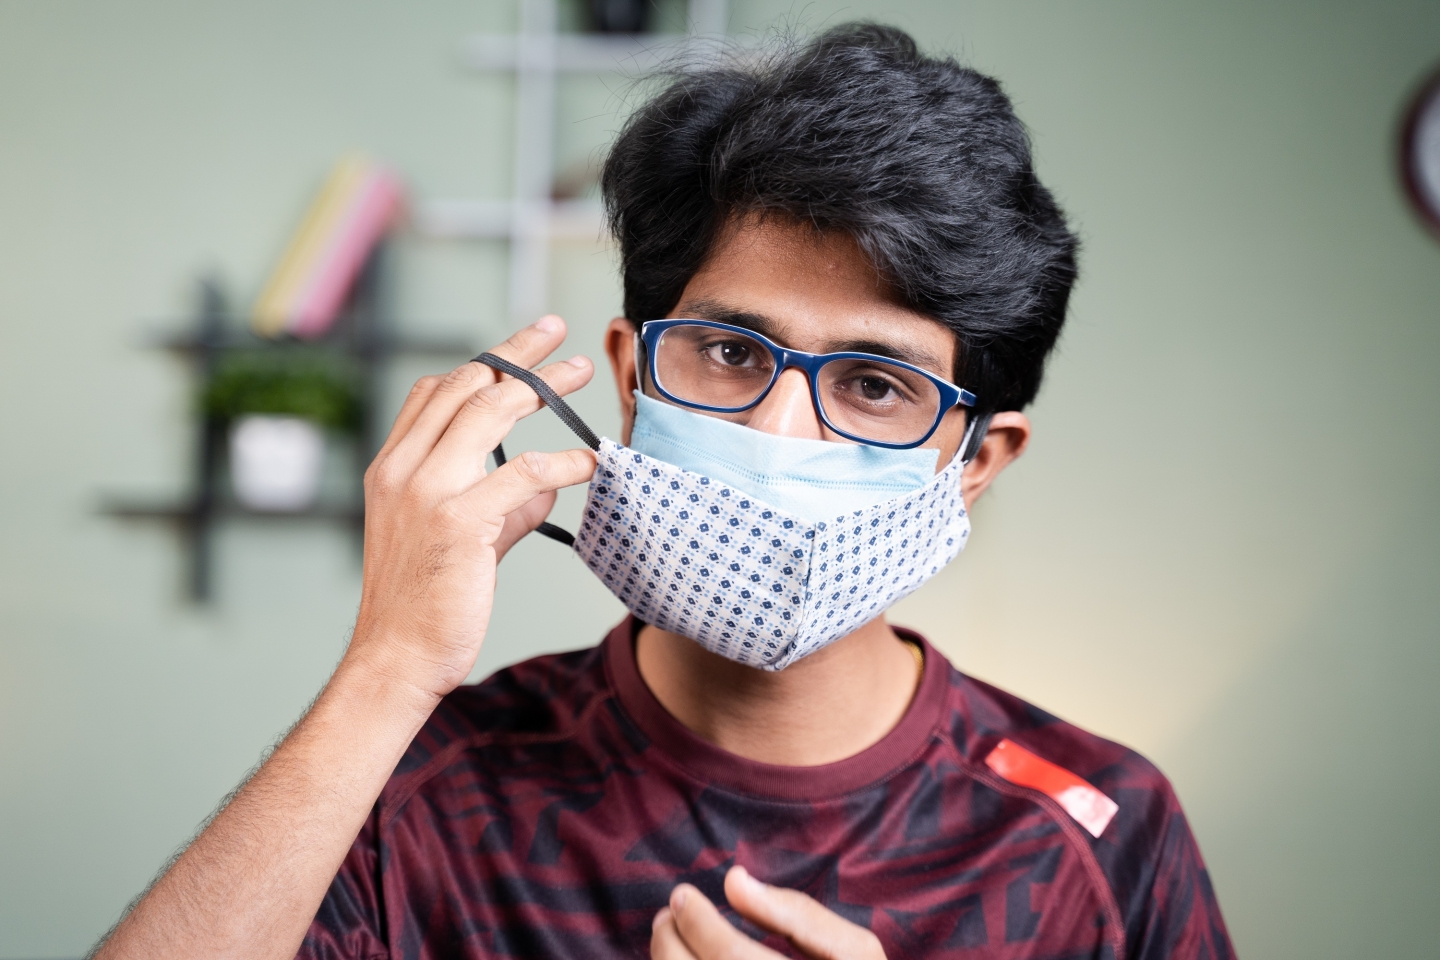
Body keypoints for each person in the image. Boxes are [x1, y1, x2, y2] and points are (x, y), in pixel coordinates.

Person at [93, 23, 1233, 960]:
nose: (783, 432)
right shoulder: (420, 792)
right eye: (732, 355)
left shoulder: (1096, 831)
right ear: (635, 379)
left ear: (974, 462)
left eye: (876, 384)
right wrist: (387, 669)